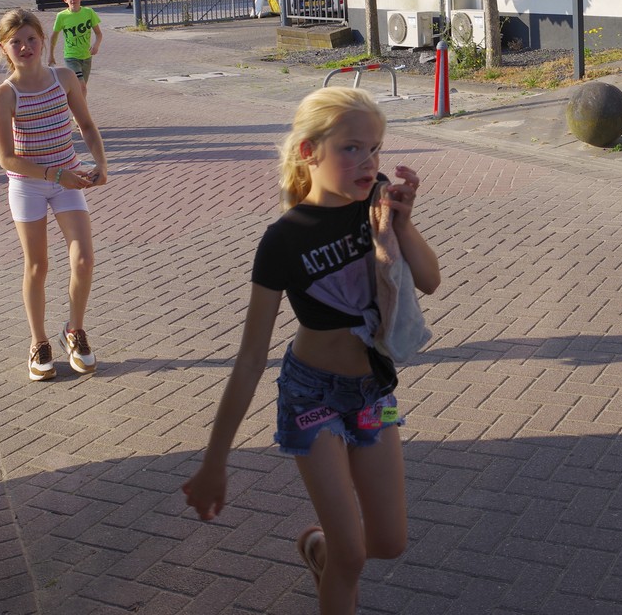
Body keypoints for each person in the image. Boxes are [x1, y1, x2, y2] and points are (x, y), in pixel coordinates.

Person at [182, 88, 440, 615]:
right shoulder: (284, 238)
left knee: (388, 542)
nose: (368, 162)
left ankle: (319, 549)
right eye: (351, 148)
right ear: (309, 151)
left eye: (375, 148)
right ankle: (336, 555)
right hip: (311, 396)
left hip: (373, 391)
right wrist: (214, 462)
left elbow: (431, 280)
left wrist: (403, 223)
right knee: (352, 558)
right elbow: (250, 359)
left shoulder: (378, 202)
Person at [0, 8, 108, 382]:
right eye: (16, 42)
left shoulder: (64, 78)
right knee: (37, 266)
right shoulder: (4, 95)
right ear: (4, 48)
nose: (25, 47)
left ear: (42, 40)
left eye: (31, 39)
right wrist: (56, 175)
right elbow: (6, 158)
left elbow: (86, 124)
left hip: (67, 179)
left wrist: (101, 163)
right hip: (28, 184)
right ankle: (38, 342)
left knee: (84, 259)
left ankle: (74, 330)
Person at [49, 0, 103, 86]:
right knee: (81, 85)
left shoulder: (89, 12)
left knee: (82, 87)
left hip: (86, 56)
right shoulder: (61, 16)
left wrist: (96, 45)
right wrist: (51, 55)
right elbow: (54, 36)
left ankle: (72, 96)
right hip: (71, 57)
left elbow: (99, 34)